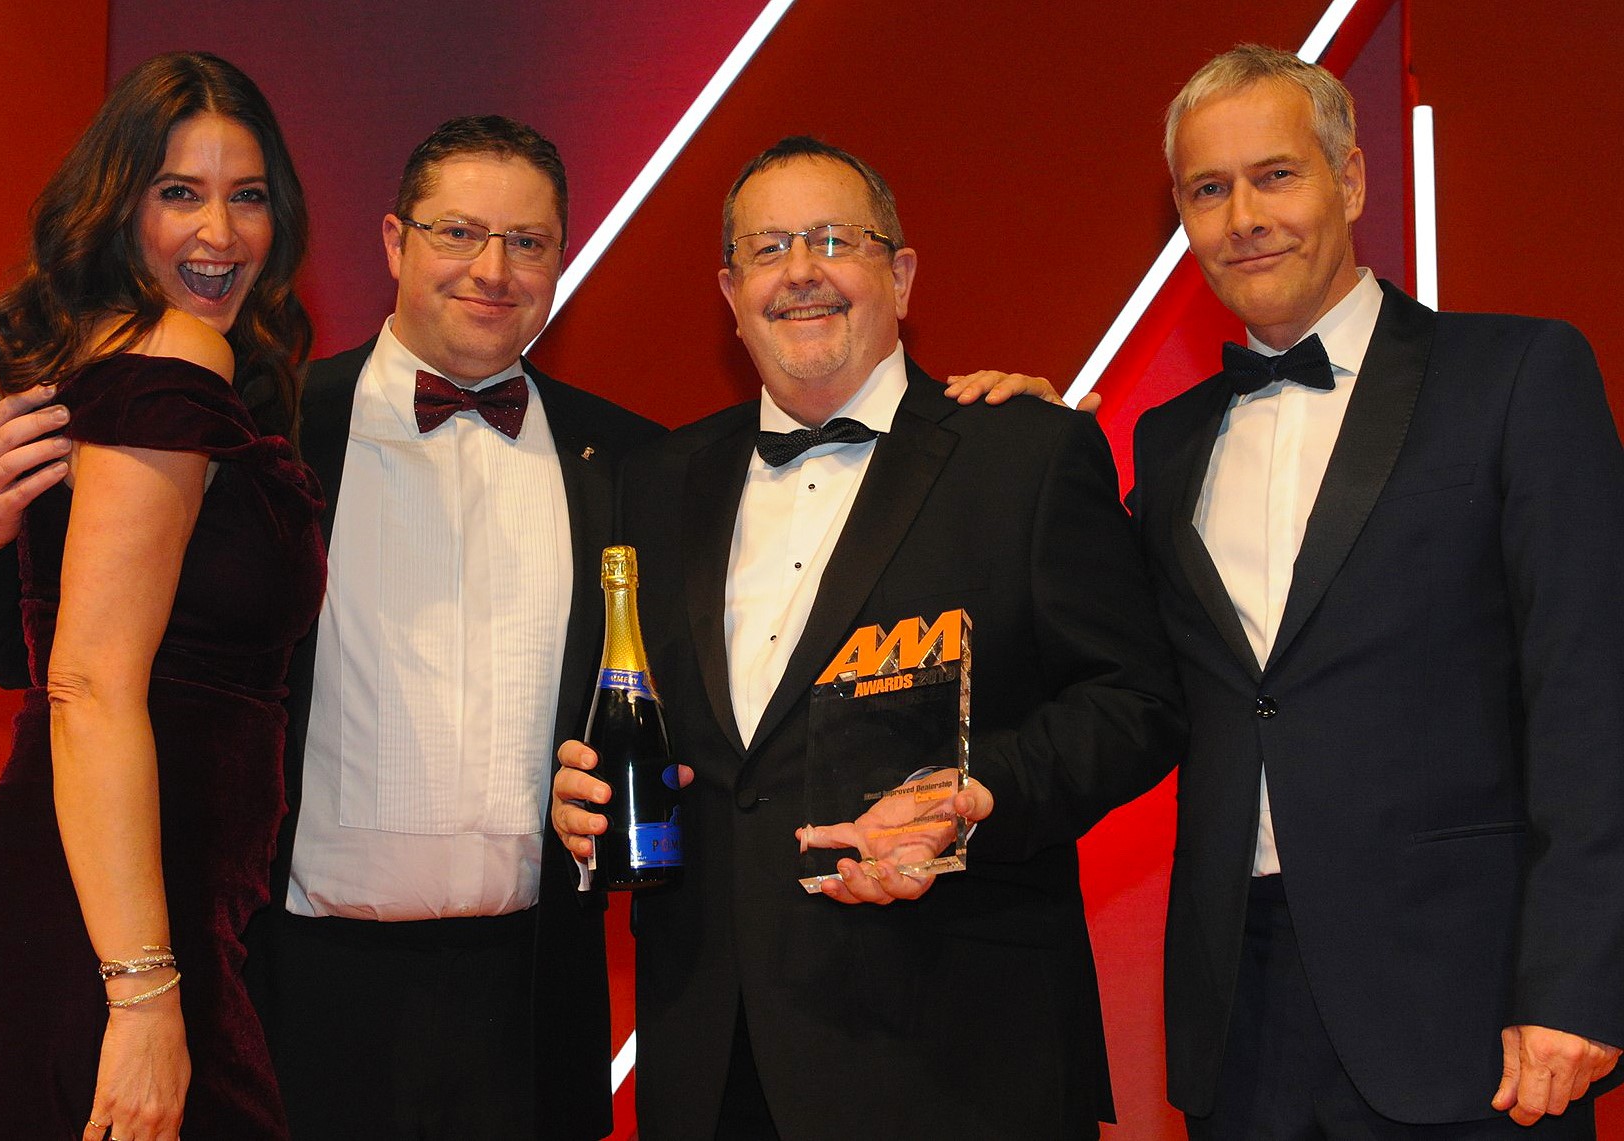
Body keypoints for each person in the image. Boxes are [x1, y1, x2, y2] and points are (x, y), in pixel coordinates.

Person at [552, 136, 1186, 1139]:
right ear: (728, 289)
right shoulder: (655, 481)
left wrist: (977, 793)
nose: (799, 270)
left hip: (957, 1057)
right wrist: (580, 785)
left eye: (833, 240)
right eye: (766, 249)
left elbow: (1135, 702)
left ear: (898, 274)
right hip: (713, 1065)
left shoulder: (1023, 452)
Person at [1133, 45, 1624, 1136]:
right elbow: (1142, 690)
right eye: (1206, 191)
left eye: (1274, 176)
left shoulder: (1514, 377)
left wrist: (1575, 980)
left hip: (1469, 1011)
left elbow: (1591, 696)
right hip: (1239, 1014)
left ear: (1348, 182)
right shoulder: (1163, 446)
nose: (1242, 217)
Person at [0, 52, 324, 1140]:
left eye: (247, 198)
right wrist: (141, 994)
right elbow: (87, 682)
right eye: (178, 193)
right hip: (107, 927)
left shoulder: (143, 360)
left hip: (140, 906)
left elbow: (66, 647)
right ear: (116, 203)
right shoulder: (173, 357)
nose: (221, 235)